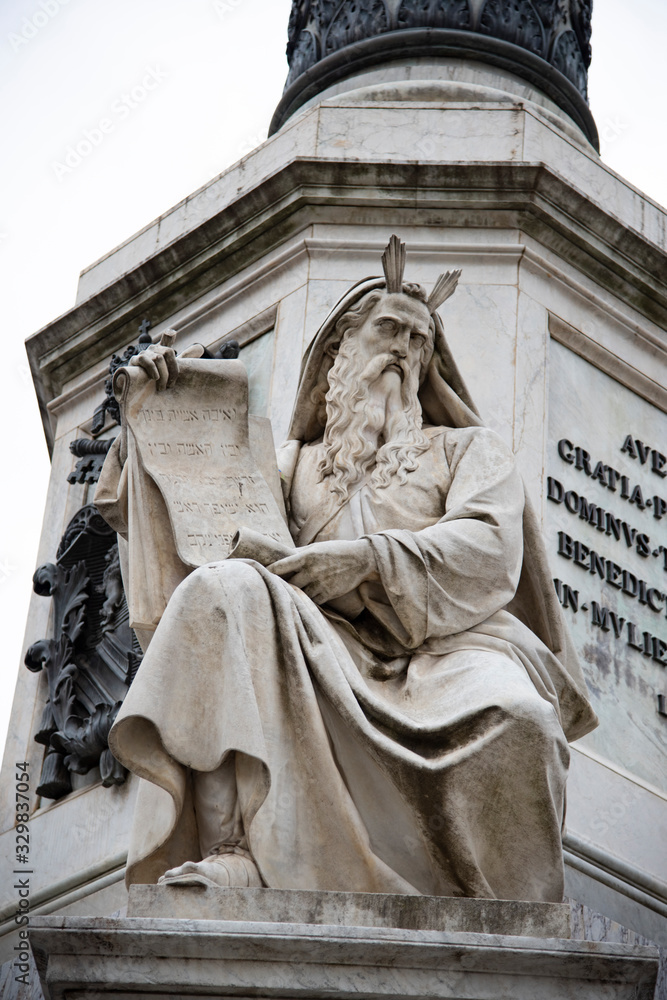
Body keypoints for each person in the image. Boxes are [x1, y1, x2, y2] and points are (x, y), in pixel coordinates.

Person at [103, 238, 597, 902]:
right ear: (340, 349)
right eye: (388, 330)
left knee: (519, 718)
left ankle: (505, 917)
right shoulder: (289, 465)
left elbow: (489, 547)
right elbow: (189, 533)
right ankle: (235, 846)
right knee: (222, 588)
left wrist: (365, 561)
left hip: (447, 652)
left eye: (419, 342)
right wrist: (154, 416)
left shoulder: (465, 450)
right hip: (317, 643)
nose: (403, 350)